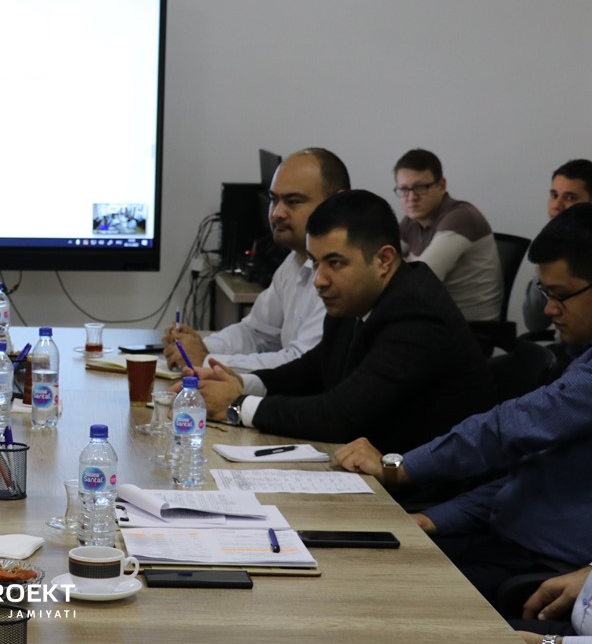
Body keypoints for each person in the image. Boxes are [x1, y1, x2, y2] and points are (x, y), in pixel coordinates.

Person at [336, 203, 592, 608]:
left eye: (561, 295)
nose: (547, 310)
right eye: (546, 293)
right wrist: (437, 518)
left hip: (542, 570)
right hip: (497, 538)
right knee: (352, 560)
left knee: (371, 593)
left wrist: (399, 468)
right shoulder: (576, 355)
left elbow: (508, 429)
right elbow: (529, 474)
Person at [188, 190, 492, 453]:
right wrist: (242, 384)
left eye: (335, 263)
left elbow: (338, 416)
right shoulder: (358, 297)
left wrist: (237, 405)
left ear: (384, 260)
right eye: (315, 261)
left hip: (424, 489)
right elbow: (314, 368)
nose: (319, 280)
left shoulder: (416, 316)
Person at [166, 148, 348, 372]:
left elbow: (301, 365)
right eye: (274, 199)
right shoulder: (294, 261)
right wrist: (201, 346)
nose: (277, 213)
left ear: (337, 203)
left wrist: (206, 360)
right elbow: (256, 333)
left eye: (293, 201)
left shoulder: (342, 276)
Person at [393, 148, 503, 322]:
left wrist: (400, 265)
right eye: (404, 189)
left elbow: (421, 279)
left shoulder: (461, 217)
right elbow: (383, 261)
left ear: (442, 185)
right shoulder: (411, 221)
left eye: (420, 187)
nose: (411, 197)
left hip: (471, 328)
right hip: (434, 318)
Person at [523, 159, 592, 333]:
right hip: (565, 346)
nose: (556, 206)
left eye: (570, 197)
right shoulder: (551, 247)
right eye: (554, 195)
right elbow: (534, 323)